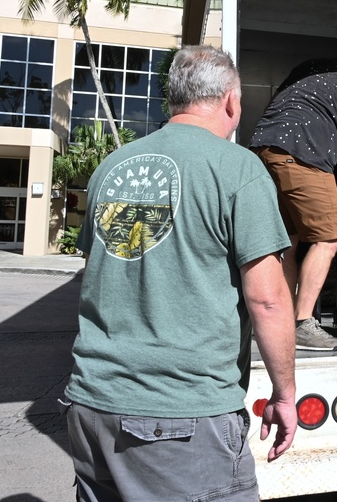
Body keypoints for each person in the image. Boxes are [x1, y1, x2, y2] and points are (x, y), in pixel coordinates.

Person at [63, 46, 297, 501]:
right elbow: (267, 299)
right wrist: (284, 395)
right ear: (231, 101)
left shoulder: (111, 167)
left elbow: (96, 273)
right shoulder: (238, 168)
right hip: (180, 418)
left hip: (91, 408)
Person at [250, 35, 337, 351]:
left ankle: (276, 319)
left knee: (288, 240)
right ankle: (302, 324)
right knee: (329, 238)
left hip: (260, 152)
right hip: (302, 154)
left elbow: (276, 105)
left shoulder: (309, 67)